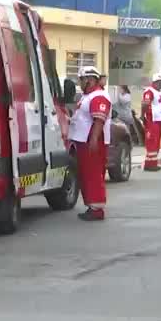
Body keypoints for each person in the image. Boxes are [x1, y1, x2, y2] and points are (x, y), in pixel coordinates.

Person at [68, 66, 112, 221]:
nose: (80, 83)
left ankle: (97, 209)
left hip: (92, 142)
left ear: (90, 80)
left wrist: (93, 140)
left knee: (93, 175)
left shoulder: (98, 96)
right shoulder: (87, 96)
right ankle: (91, 206)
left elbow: (99, 120)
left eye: (82, 80)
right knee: (86, 174)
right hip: (83, 141)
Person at [141, 73, 161, 172]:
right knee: (152, 141)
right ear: (155, 82)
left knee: (156, 142)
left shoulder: (158, 92)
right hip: (151, 120)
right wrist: (142, 115)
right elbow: (145, 104)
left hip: (158, 120)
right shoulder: (149, 91)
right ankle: (151, 164)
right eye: (159, 82)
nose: (160, 84)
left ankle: (151, 163)